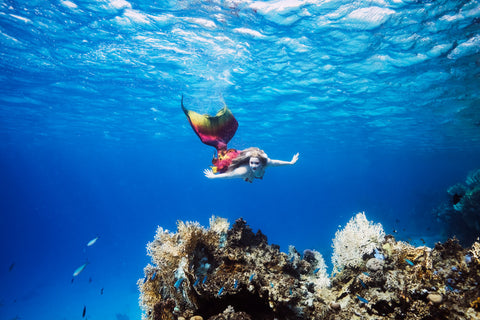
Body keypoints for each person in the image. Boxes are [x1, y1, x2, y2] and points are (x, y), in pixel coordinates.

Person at [181, 96, 299, 182]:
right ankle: (216, 133)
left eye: (255, 163)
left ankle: (220, 135)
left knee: (257, 159)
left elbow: (277, 163)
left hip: (248, 159)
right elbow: (228, 175)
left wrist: (290, 162)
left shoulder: (266, 163)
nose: (253, 165)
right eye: (252, 163)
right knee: (221, 151)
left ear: (261, 164)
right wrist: (214, 176)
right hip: (234, 160)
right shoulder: (244, 170)